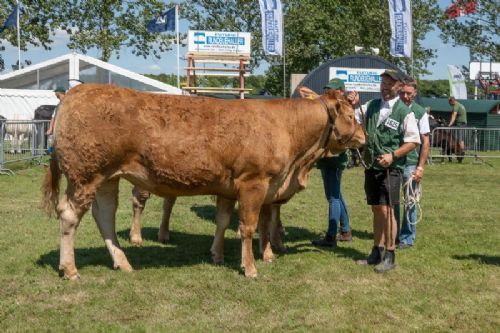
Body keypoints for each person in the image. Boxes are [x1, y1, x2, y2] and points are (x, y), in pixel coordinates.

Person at [349, 69, 420, 273]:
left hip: (392, 169)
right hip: (372, 165)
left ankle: (390, 254)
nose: (385, 86)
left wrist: (393, 155)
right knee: (376, 208)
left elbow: (413, 141)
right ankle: (376, 251)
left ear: (399, 86)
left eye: (389, 83)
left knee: (388, 210)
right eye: (383, 82)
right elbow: (353, 115)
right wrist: (351, 101)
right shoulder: (371, 106)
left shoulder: (405, 112)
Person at [311, 78, 353, 247]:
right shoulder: (328, 106)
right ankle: (346, 231)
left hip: (335, 158)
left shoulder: (341, 108)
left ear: (340, 91)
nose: (327, 92)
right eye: (327, 89)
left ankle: (331, 235)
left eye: (332, 90)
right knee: (336, 194)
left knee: (333, 197)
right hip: (327, 157)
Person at [394, 77, 430, 249]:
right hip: (394, 161)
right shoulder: (394, 108)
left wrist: (420, 167)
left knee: (410, 201)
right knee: (392, 200)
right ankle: (392, 234)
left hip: (411, 162)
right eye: (402, 93)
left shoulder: (420, 112)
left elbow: (425, 141)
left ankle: (407, 237)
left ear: (415, 93)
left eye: (409, 93)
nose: (405, 96)